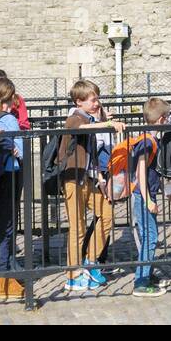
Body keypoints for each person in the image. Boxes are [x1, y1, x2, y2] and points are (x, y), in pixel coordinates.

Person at [58, 80, 125, 293]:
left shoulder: (91, 118)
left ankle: (91, 261)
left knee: (106, 215)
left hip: (89, 179)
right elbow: (81, 129)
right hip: (72, 179)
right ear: (79, 102)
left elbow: (92, 156)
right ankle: (73, 274)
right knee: (77, 227)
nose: (97, 103)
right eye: (93, 99)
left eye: (97, 98)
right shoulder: (75, 117)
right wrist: (105, 124)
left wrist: (101, 179)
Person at [0, 77, 26, 299]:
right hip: (9, 175)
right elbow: (20, 151)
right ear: (11, 97)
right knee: (7, 227)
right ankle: (4, 279)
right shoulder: (9, 121)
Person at [129, 98, 169, 297]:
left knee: (148, 236)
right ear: (161, 119)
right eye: (167, 118)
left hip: (145, 195)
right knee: (150, 238)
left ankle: (147, 274)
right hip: (143, 196)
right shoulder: (147, 141)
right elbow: (140, 173)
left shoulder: (149, 139)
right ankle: (141, 281)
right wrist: (148, 200)